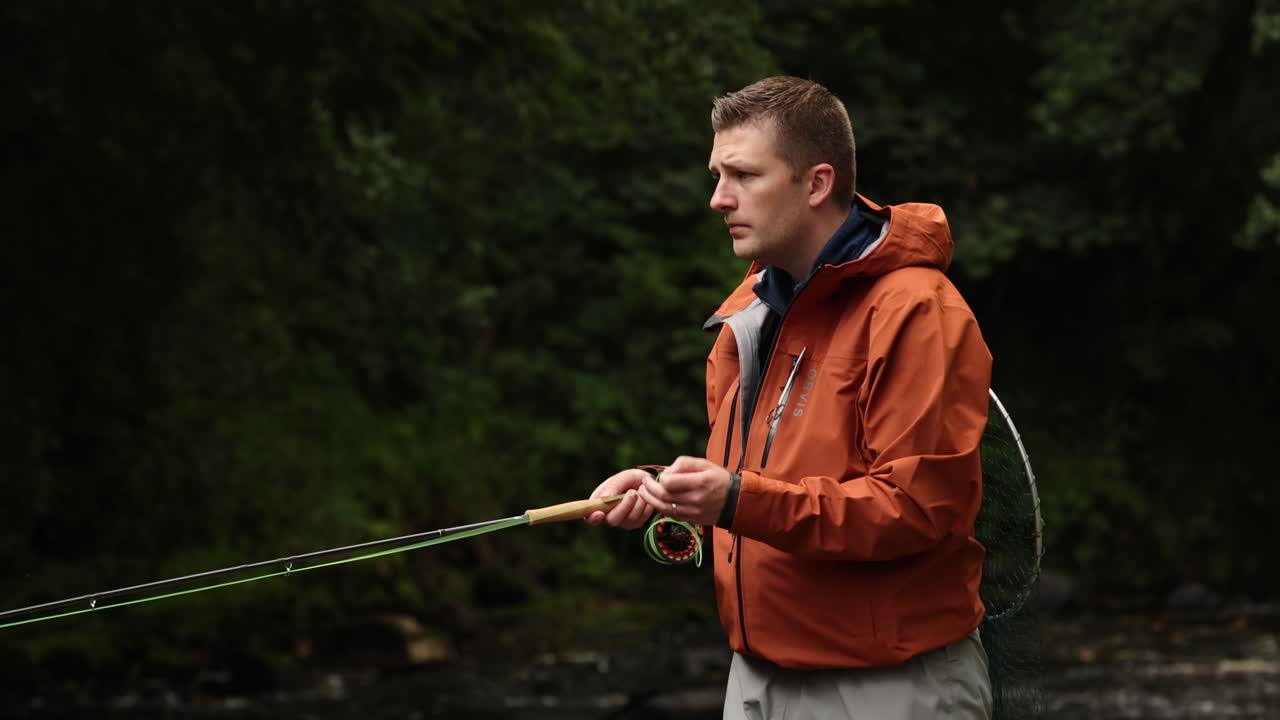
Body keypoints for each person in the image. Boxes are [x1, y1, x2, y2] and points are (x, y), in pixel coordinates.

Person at [587, 76, 994, 719]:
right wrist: (666, 488)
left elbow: (915, 510)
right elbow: (764, 482)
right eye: (717, 175)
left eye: (743, 176)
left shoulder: (916, 311)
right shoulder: (750, 307)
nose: (719, 199)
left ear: (817, 184)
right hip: (755, 680)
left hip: (889, 687)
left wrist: (732, 498)